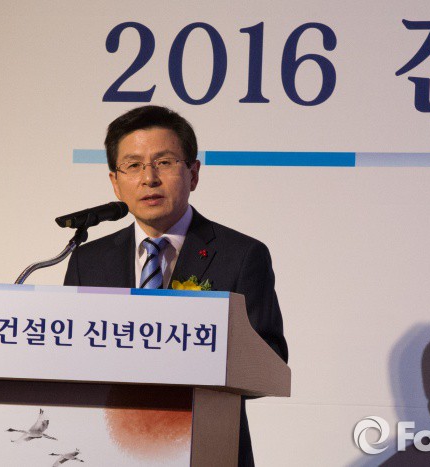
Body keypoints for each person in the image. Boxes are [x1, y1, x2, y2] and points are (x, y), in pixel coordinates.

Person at [64, 105, 288, 466]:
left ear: (193, 173)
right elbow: (68, 357)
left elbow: (270, 359)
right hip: (110, 448)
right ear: (115, 182)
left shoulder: (241, 255)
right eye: (133, 165)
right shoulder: (87, 261)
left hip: (205, 448)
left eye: (164, 162)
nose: (149, 178)